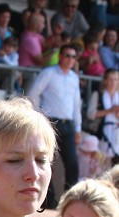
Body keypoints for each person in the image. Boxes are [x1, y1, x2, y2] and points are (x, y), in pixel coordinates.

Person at [28, 44, 82, 208]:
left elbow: (76, 105)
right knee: (47, 162)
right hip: (50, 122)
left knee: (72, 164)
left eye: (73, 56)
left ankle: (69, 201)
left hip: (67, 125)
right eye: (67, 55)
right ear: (60, 56)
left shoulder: (74, 77)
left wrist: (78, 128)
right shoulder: (49, 73)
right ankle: (48, 202)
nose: (70, 59)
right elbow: (33, 93)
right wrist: (39, 116)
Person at [90, 69, 119, 161]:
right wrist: (109, 111)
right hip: (100, 133)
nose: (113, 82)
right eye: (111, 79)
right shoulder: (98, 94)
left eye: (116, 79)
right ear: (105, 80)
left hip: (116, 134)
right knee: (99, 163)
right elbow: (90, 114)